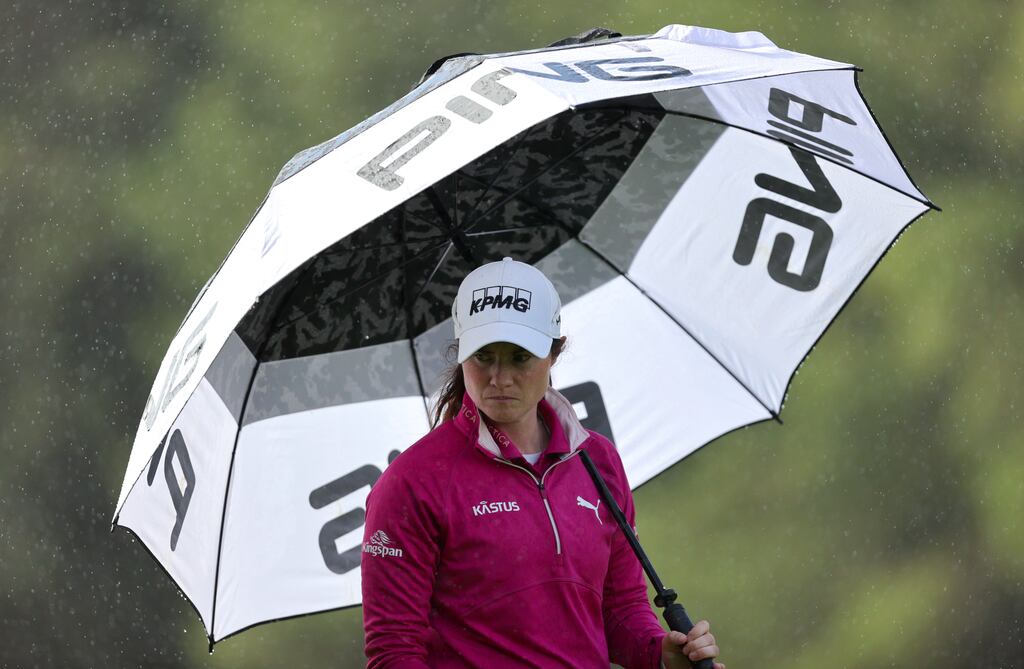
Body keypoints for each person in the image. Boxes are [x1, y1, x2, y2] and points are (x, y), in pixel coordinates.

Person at [361, 257, 724, 669]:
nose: (499, 377)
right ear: (461, 355)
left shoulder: (597, 460)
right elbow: (394, 651)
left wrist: (659, 652)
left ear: (554, 353)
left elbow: (619, 608)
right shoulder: (413, 482)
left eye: (519, 357)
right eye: (483, 357)